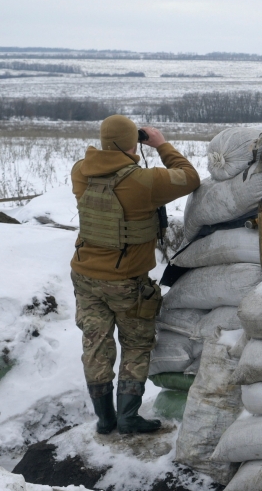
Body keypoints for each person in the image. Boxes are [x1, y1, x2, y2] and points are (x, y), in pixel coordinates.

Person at [71, 115, 200, 435]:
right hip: (127, 282)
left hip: (85, 278)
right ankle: (128, 417)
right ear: (133, 143)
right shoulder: (144, 182)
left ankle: (105, 419)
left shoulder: (80, 171)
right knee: (136, 345)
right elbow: (190, 177)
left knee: (95, 346)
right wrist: (160, 144)